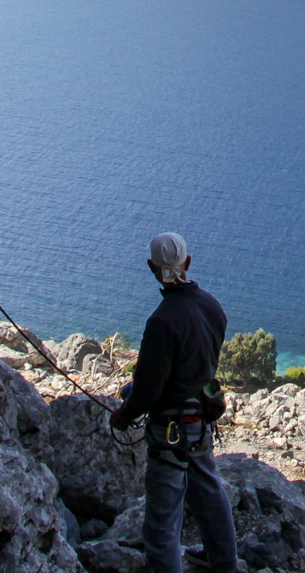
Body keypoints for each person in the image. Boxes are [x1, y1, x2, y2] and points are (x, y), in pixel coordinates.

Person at [110, 233, 238, 573]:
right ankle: (225, 564)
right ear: (188, 263)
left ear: (152, 268)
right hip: (201, 421)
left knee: (162, 523)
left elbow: (149, 390)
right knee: (209, 496)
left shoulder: (162, 321)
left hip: (170, 430)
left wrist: (124, 414)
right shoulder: (212, 306)